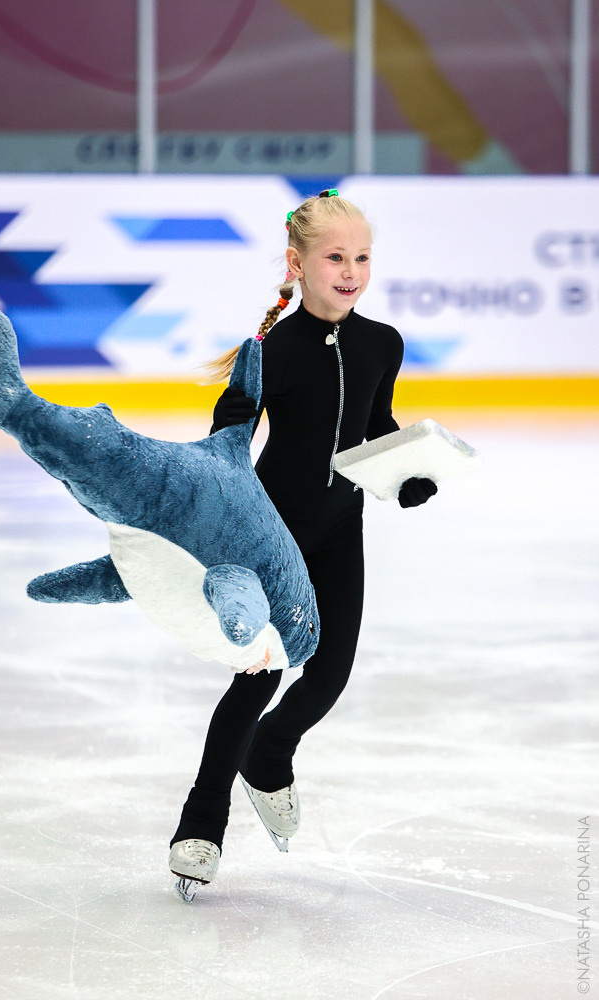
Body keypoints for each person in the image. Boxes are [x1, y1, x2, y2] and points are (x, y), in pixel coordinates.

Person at [168, 189, 437, 898]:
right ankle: (201, 822)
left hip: (341, 526)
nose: (351, 272)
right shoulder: (270, 353)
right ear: (297, 264)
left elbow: (375, 424)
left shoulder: (382, 343)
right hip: (272, 535)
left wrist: (405, 474)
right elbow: (228, 444)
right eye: (335, 258)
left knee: (328, 675)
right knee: (259, 676)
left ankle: (270, 752)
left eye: (362, 258)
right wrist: (222, 437)